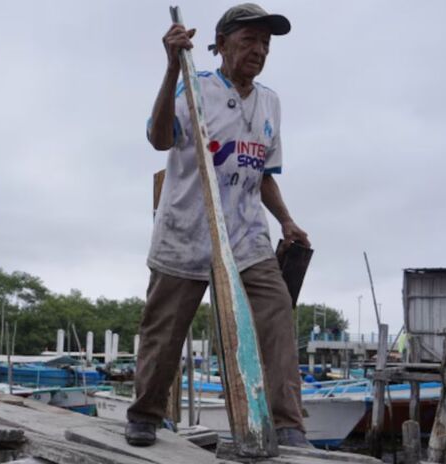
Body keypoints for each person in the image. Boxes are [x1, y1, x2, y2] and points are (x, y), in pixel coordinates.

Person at [126, 3, 312, 448]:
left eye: (265, 43)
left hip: (247, 236)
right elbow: (159, 138)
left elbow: (263, 173)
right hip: (187, 229)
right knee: (165, 329)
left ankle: (287, 424)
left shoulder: (270, 102)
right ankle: (145, 414)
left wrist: (286, 221)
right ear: (221, 44)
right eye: (248, 40)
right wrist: (172, 68)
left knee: (275, 316)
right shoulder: (196, 85)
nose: (259, 50)